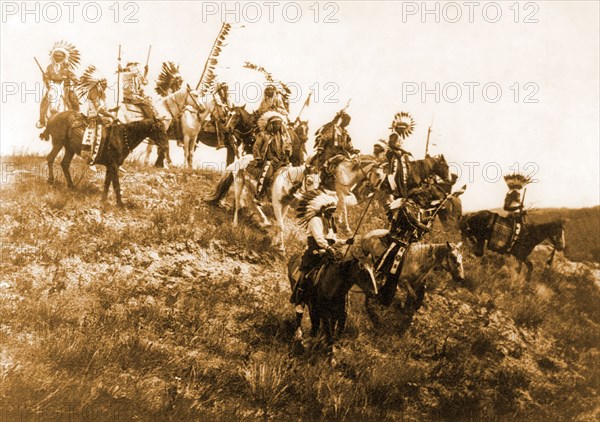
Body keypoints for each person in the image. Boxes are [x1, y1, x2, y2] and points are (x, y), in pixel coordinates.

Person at [290, 191, 354, 308]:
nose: (332, 214)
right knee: (307, 276)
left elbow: (333, 240)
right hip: (314, 253)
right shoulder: (315, 220)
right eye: (330, 211)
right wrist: (327, 247)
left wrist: (345, 241)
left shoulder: (330, 222)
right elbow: (319, 238)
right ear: (323, 211)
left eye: (333, 211)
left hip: (329, 253)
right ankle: (300, 297)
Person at [77, 65, 115, 169]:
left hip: (101, 116)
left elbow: (104, 109)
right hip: (94, 117)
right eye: (104, 83)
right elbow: (99, 109)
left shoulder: (102, 93)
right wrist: (111, 115)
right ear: (99, 83)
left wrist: (112, 111)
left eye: (106, 83)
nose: (106, 85)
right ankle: (91, 160)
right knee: (99, 136)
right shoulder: (93, 91)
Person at [37, 42, 80, 128]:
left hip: (65, 87)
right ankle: (42, 120)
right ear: (53, 56)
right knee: (44, 101)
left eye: (60, 55)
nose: (58, 57)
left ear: (63, 56)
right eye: (56, 55)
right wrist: (45, 78)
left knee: (73, 100)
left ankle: (77, 118)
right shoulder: (49, 67)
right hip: (53, 86)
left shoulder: (66, 67)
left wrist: (76, 80)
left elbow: (71, 75)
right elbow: (46, 77)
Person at [310, 110, 359, 185]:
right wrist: (320, 147)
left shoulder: (345, 133)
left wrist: (353, 150)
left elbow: (348, 145)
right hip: (331, 150)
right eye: (346, 121)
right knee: (327, 164)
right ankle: (320, 181)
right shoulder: (333, 128)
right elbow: (324, 138)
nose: (348, 123)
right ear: (341, 120)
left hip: (341, 152)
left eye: (348, 121)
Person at [252, 111, 292, 201]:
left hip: (282, 161)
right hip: (270, 160)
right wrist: (258, 158)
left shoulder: (284, 136)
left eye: (279, 124)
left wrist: (288, 151)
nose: (278, 126)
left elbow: (288, 145)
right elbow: (256, 147)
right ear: (271, 125)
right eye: (276, 124)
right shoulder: (263, 135)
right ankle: (259, 196)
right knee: (266, 177)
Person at [386, 112, 415, 198]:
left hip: (398, 155)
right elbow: (391, 144)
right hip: (393, 155)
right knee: (396, 171)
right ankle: (394, 188)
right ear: (398, 128)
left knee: (403, 170)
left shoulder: (398, 135)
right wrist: (403, 150)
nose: (403, 131)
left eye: (404, 130)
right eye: (401, 129)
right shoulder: (394, 135)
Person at [211, 82, 233, 149]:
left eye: (226, 88)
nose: (225, 90)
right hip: (217, 114)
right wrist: (224, 106)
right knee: (219, 124)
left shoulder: (227, 96)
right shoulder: (216, 96)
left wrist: (230, 108)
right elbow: (218, 103)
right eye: (223, 88)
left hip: (225, 113)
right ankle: (220, 141)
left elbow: (230, 104)